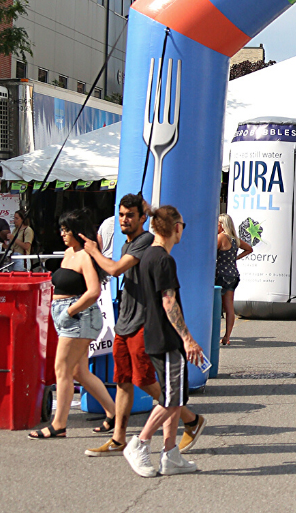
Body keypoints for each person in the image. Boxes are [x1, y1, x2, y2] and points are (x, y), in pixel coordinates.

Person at [81, 194, 203, 458]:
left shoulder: (147, 243)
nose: (124, 220)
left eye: (130, 215)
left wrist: (93, 252)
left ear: (142, 218)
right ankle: (120, 438)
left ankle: (187, 420)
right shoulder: (130, 245)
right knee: (123, 380)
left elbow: (115, 270)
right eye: (121, 214)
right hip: (125, 322)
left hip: (143, 324)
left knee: (146, 381)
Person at [123, 205, 204, 477]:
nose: (183, 231)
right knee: (170, 399)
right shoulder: (163, 260)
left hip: (159, 337)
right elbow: (168, 302)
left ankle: (170, 455)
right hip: (166, 339)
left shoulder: (149, 256)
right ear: (176, 227)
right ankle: (139, 443)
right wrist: (188, 338)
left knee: (176, 397)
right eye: (182, 225)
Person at [29, 208, 117, 439]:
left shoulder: (86, 256)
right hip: (67, 316)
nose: (62, 234)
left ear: (78, 232)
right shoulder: (69, 253)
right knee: (79, 371)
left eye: (66, 230)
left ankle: (58, 424)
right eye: (62, 229)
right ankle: (115, 413)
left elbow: (94, 290)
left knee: (63, 369)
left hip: (78, 317)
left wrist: (69, 311)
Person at [216, 213, 252, 345]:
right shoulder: (235, 239)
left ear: (222, 224)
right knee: (229, 307)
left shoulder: (220, 238)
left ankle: (213, 334)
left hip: (221, 275)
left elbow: (211, 252)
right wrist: (235, 258)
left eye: (217, 223)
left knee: (215, 306)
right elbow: (249, 249)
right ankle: (227, 336)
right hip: (233, 275)